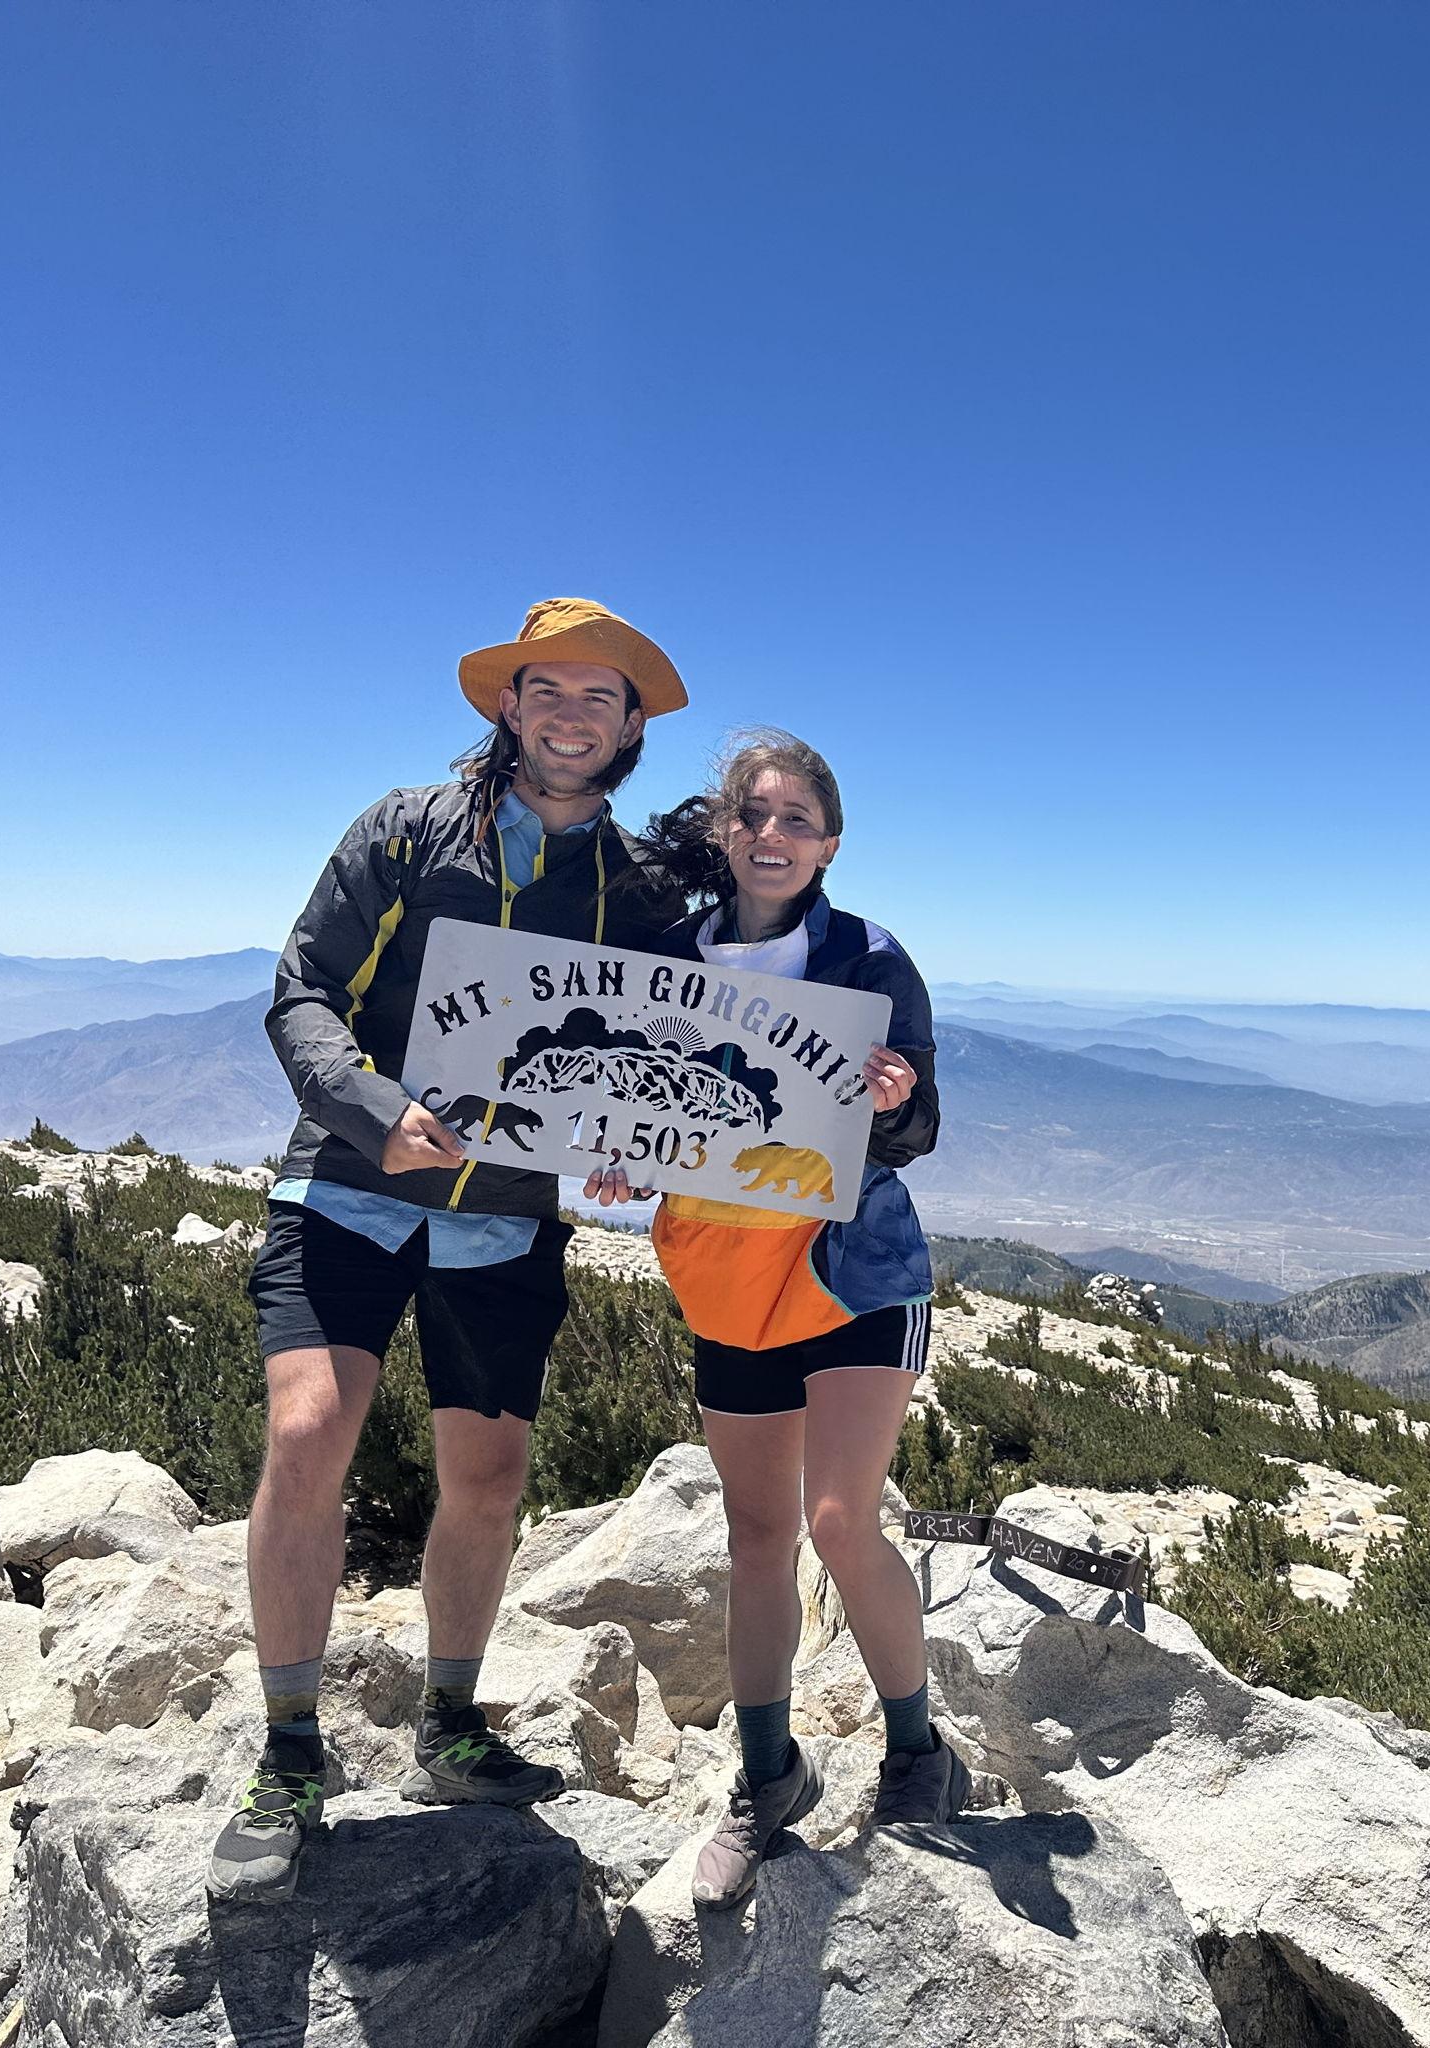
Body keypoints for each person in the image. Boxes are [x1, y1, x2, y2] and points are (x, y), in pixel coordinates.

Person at [207, 598, 694, 1904]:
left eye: (604, 697)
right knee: (309, 1430)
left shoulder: (637, 888)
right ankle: (291, 1751)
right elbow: (300, 988)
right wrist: (375, 1110)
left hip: (509, 1213)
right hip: (353, 1184)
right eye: (553, 690)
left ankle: (452, 1725)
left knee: (487, 1477)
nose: (574, 715)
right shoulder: (407, 829)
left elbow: (679, 1050)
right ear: (508, 701)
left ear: (632, 724)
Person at [588, 729, 963, 1910]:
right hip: (726, 1277)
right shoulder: (664, 957)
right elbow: (642, 1109)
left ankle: (916, 1748)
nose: (769, 833)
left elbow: (916, 1131)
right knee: (757, 1540)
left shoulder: (867, 956)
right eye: (750, 812)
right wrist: (613, 1160)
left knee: (840, 1520)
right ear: (720, 830)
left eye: (795, 817)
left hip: (853, 1273)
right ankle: (765, 1775)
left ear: (829, 843)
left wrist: (891, 1100)